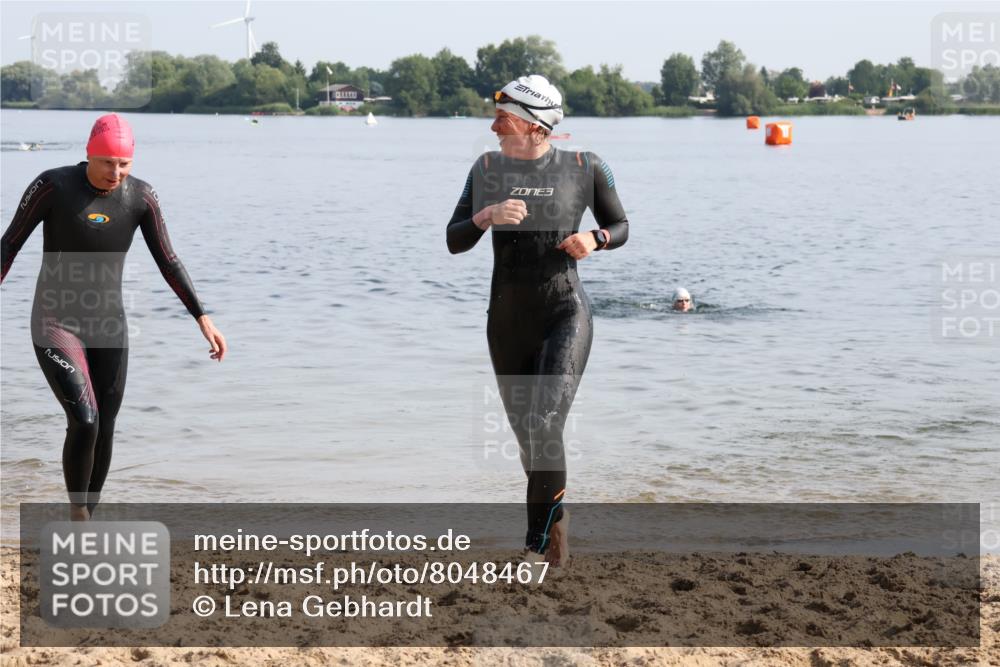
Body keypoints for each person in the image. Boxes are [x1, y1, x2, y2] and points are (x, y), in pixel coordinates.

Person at [1, 113, 227, 521]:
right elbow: (9, 244)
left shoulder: (140, 197)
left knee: (105, 424)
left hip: (109, 324)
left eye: (124, 164)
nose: (116, 172)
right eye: (107, 162)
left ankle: (90, 515)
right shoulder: (52, 186)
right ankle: (78, 514)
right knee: (84, 421)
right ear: (89, 153)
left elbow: (169, 260)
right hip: (55, 322)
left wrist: (202, 317)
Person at [447, 75, 629, 566]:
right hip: (506, 323)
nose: (493, 126)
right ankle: (558, 529)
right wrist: (487, 216)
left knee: (543, 422)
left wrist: (596, 240)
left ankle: (534, 549)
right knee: (530, 441)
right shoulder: (487, 169)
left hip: (565, 313)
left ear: (533, 126)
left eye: (502, 119)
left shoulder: (585, 166)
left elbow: (621, 225)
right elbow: (454, 239)